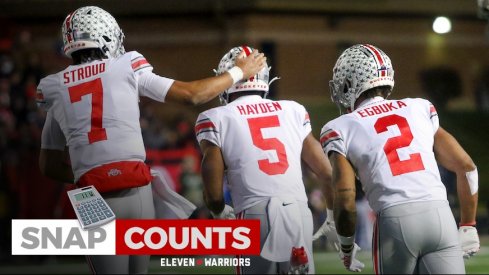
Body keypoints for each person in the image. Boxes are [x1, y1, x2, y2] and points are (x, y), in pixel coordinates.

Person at [36, 6, 265, 274]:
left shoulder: (55, 87)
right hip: (136, 186)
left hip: (91, 195)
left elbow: (48, 164)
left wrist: (89, 173)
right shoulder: (126, 65)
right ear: (107, 36)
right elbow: (193, 95)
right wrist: (238, 72)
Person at [315, 44, 479, 274]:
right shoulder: (418, 107)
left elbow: (345, 193)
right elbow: (467, 167)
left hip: (395, 220)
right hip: (440, 216)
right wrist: (469, 225)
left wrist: (345, 242)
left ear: (351, 82)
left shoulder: (339, 126)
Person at [195, 45, 337, 274]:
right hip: (298, 211)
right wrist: (331, 216)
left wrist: (219, 210)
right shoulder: (293, 110)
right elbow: (328, 173)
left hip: (254, 213)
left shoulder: (215, 117)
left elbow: (212, 184)